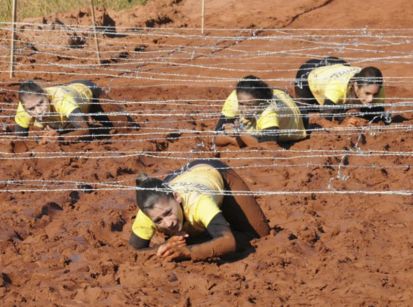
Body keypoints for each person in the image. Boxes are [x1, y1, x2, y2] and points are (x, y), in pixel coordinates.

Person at [129, 159, 270, 262]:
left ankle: (216, 222)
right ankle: (207, 230)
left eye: (168, 213)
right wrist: (164, 247)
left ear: (176, 197)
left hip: (213, 172)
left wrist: (188, 251)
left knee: (261, 234)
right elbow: (134, 251)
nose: (168, 223)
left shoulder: (198, 202)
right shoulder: (149, 211)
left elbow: (228, 242)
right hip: (176, 178)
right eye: (159, 220)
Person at [14, 80, 138, 142]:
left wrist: (60, 140)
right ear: (25, 109)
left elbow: (84, 129)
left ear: (46, 95)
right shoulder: (23, 109)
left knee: (126, 127)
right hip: (68, 104)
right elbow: (19, 141)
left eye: (41, 103)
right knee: (64, 128)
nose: (39, 110)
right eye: (32, 109)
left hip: (90, 93)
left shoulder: (61, 99)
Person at [214, 75, 308, 147]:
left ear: (261, 104)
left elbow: (267, 146)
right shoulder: (234, 99)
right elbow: (216, 137)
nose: (244, 109)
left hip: (297, 114)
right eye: (241, 104)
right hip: (275, 96)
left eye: (250, 106)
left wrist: (238, 133)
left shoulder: (269, 112)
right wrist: (234, 134)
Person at [294, 57, 391, 123]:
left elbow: (377, 113)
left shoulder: (376, 86)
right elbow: (326, 114)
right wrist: (345, 115)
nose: (370, 99)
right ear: (356, 86)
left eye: (374, 94)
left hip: (337, 66)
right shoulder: (337, 88)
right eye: (367, 93)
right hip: (309, 73)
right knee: (308, 111)